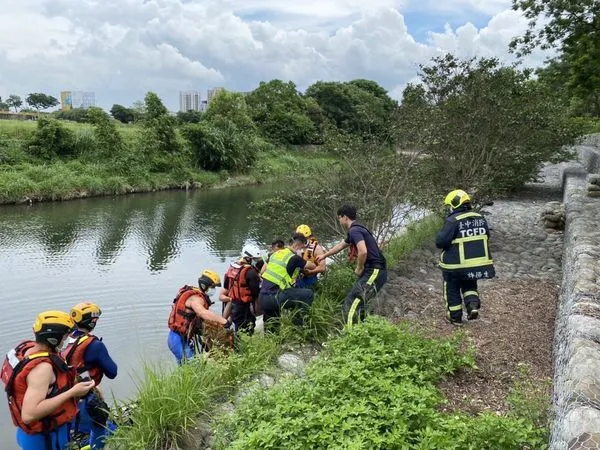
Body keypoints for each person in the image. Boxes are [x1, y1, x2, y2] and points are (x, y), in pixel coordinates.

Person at [1, 310, 95, 450]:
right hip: (44, 439)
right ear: (53, 338)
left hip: (26, 434)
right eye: (64, 337)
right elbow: (29, 414)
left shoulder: (26, 349)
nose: (66, 340)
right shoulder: (42, 368)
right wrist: (72, 393)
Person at [316, 205, 387, 327]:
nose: (339, 221)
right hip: (374, 270)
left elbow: (363, 251)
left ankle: (349, 333)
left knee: (353, 300)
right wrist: (324, 256)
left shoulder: (355, 230)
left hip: (374, 270)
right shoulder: (357, 229)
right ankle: (362, 329)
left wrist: (359, 268)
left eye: (339, 218)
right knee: (361, 301)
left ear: (345, 217)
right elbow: (341, 246)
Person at [61, 302, 118, 449]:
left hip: (67, 397)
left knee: (70, 437)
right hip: (87, 399)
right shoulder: (94, 345)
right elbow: (112, 372)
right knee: (100, 429)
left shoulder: (65, 340)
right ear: (92, 322)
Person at [435, 189, 495, 325]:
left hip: (455, 265)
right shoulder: (480, 217)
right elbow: (487, 236)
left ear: (454, 204)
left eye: (449, 205)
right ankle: (472, 306)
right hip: (476, 263)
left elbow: (440, 242)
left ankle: (455, 317)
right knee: (470, 284)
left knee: (452, 288)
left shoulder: (453, 220)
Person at [167, 270, 233, 364]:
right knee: (191, 365)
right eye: (212, 287)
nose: (213, 289)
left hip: (184, 338)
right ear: (205, 285)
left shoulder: (197, 294)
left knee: (187, 365)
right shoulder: (195, 298)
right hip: (176, 339)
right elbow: (203, 313)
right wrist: (224, 321)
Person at [259, 233, 317, 330]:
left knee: (274, 326)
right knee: (308, 294)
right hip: (275, 297)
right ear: (299, 245)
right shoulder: (294, 257)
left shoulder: (275, 254)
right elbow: (312, 266)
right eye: (302, 248)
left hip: (263, 297)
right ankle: (299, 326)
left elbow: (262, 271)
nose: (302, 251)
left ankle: (272, 341)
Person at [219, 244, 263, 334]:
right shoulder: (251, 272)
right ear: (248, 258)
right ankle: (243, 345)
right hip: (245, 305)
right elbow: (255, 292)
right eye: (254, 259)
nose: (256, 261)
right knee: (247, 327)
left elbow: (226, 285)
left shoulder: (233, 267)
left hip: (234, 304)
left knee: (238, 326)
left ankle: (236, 340)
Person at [293, 224, 326, 289]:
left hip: (311, 279)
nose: (299, 241)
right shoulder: (298, 247)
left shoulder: (317, 248)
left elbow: (322, 267)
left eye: (301, 238)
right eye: (298, 239)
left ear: (308, 237)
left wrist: (310, 272)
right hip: (299, 278)